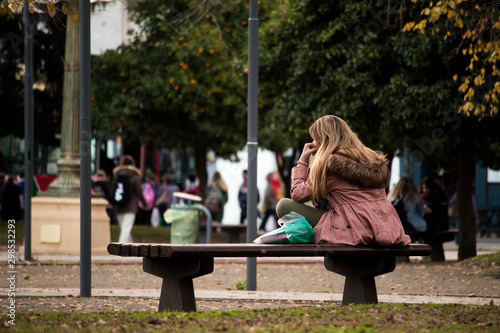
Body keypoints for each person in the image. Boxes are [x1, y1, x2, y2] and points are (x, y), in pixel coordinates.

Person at [275, 115, 410, 247]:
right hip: (384, 228)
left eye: (315, 139)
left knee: (283, 206)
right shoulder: (372, 160)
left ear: (324, 140)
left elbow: (298, 195)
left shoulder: (331, 165)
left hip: (352, 230)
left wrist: (302, 161)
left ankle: (317, 234)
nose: (313, 144)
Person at [111, 155, 147, 243]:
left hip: (119, 206)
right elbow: (139, 193)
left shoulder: (117, 176)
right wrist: (145, 204)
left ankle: (130, 248)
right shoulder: (134, 177)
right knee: (126, 229)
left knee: (125, 229)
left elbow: (112, 191)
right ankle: (120, 249)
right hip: (130, 207)